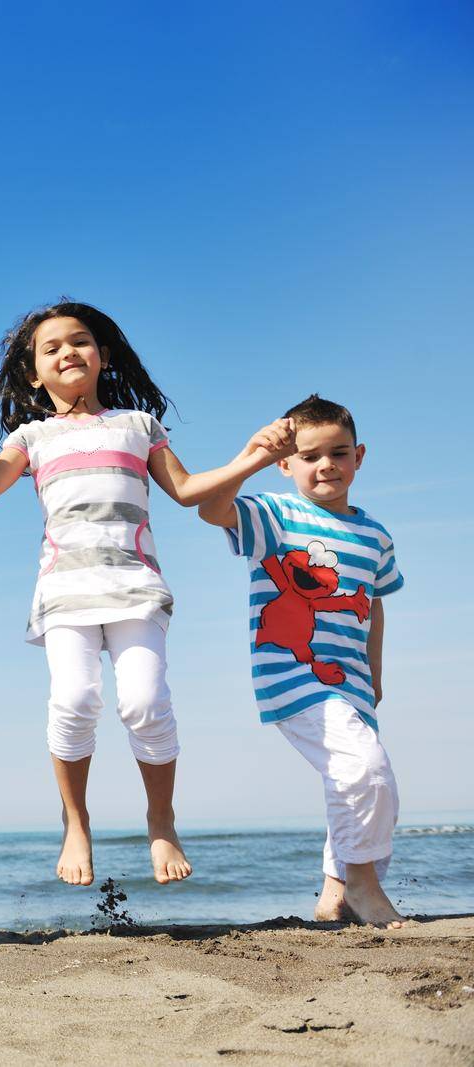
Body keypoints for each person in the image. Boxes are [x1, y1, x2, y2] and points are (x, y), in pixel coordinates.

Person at [0, 301, 289, 886]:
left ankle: (160, 820)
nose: (68, 352)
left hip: (136, 587)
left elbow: (188, 491)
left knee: (144, 702)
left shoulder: (139, 426)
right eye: (51, 348)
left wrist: (252, 459)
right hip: (65, 591)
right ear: (34, 373)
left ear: (103, 356)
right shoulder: (32, 437)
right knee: (75, 700)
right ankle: (76, 821)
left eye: (80, 341)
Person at [197, 395, 407, 927]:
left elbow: (372, 607)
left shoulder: (375, 536)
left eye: (338, 453)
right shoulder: (274, 513)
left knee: (358, 780)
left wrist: (375, 673)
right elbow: (211, 509)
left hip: (352, 681)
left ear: (359, 456)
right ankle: (363, 884)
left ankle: (335, 893)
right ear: (287, 464)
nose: (326, 465)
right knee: (365, 771)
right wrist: (254, 455)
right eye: (310, 455)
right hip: (291, 672)